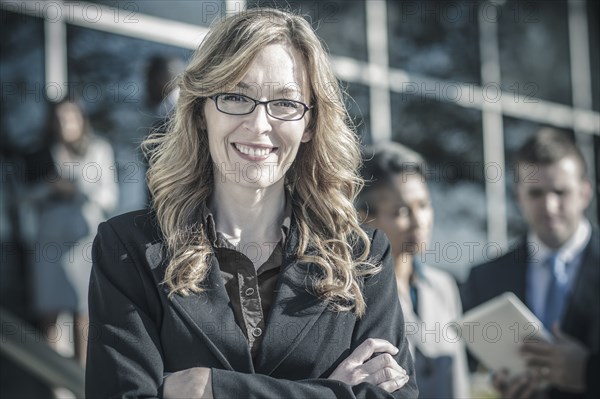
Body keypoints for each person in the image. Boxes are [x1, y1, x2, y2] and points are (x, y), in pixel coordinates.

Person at [86, 8, 418, 399]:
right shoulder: (129, 251)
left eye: (285, 103)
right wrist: (334, 392)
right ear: (199, 112)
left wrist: (209, 388)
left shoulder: (362, 257)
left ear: (310, 123)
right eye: (235, 96)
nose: (259, 124)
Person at [462, 128, 599, 398]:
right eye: (536, 193)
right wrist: (495, 383)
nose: (549, 206)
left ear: (585, 193)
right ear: (519, 197)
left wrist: (588, 372)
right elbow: (472, 371)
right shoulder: (485, 278)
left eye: (560, 192)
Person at [357, 142, 470, 399]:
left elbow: (459, 382)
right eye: (401, 211)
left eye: (424, 205)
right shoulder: (357, 293)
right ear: (365, 217)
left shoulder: (443, 286)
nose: (419, 221)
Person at [30, 98, 118, 365]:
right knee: (50, 313)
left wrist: (77, 190)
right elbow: (21, 197)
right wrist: (49, 189)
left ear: (80, 119)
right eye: (57, 118)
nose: (63, 124)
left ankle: (81, 383)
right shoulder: (41, 154)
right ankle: (56, 387)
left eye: (68, 117)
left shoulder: (98, 150)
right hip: (50, 243)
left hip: (83, 243)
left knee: (84, 314)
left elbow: (109, 196)